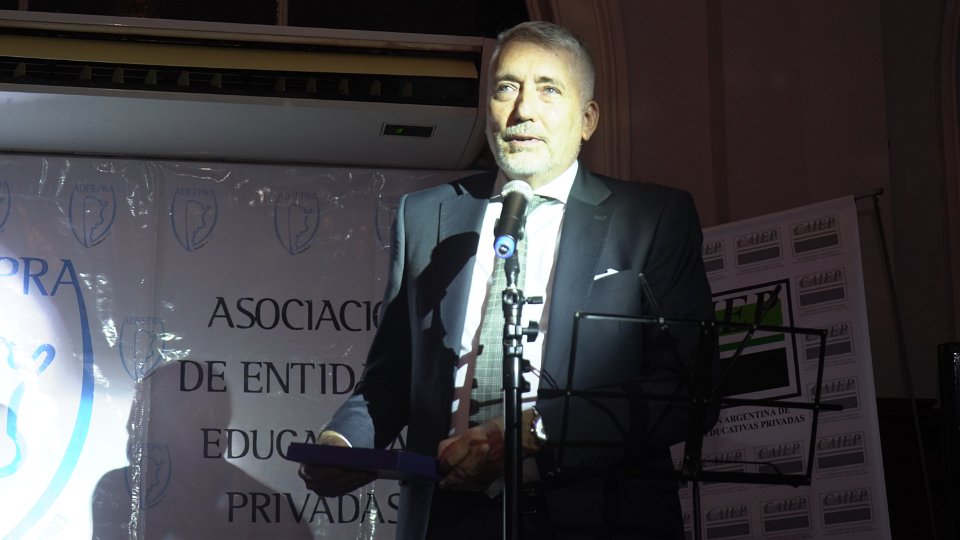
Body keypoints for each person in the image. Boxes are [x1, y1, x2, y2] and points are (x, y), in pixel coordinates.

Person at [300, 21, 716, 539]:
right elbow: (393, 378)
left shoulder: (652, 218)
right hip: (450, 519)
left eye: (548, 89)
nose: (522, 110)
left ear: (587, 119)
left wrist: (529, 433)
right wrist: (345, 441)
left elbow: (686, 391)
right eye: (506, 88)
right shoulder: (425, 216)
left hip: (599, 517)